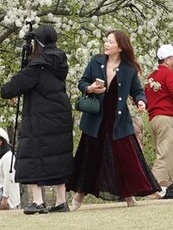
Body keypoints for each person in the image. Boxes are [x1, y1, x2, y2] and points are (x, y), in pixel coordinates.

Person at [69, 30, 161, 209]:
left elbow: (137, 91)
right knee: (90, 158)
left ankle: (129, 197)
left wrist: (141, 101)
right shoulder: (96, 61)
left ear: (120, 46)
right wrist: (90, 88)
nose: (106, 44)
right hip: (96, 120)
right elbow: (82, 82)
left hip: (119, 121)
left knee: (125, 158)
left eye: (110, 41)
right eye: (106, 40)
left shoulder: (129, 68)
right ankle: (78, 198)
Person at [0, 24, 72, 213]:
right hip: (60, 115)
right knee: (58, 156)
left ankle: (38, 202)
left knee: (34, 156)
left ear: (37, 43)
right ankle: (61, 201)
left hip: (39, 117)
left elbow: (9, 89)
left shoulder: (38, 65)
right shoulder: (59, 62)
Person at [143, 43, 173, 191]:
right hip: (167, 117)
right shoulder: (169, 74)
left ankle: (167, 188)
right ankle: (153, 188)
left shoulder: (152, 76)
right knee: (165, 155)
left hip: (155, 118)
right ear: (167, 59)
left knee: (168, 154)